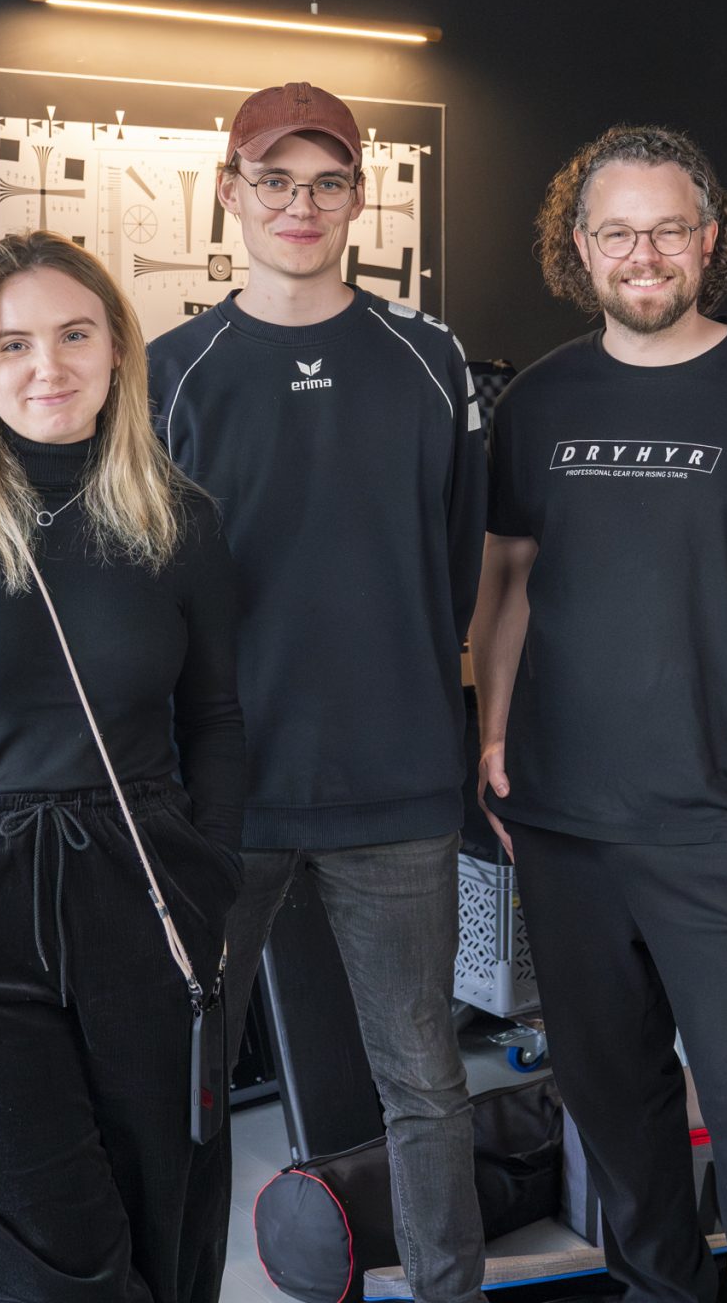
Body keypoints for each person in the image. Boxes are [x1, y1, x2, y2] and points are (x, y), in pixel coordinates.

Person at [474, 124, 727, 1303]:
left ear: (709, 240)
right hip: (565, 828)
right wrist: (493, 736)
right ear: (580, 247)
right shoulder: (540, 401)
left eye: (667, 230)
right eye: (617, 233)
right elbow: (507, 579)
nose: (642, 254)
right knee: (614, 1115)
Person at [0, 231, 246, 1303]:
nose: (47, 367)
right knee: (27, 1232)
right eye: (13, 343)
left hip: (143, 880)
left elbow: (214, 717)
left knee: (158, 1195)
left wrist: (212, 869)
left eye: (74, 335)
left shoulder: (179, 522)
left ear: (117, 348)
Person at [148, 83, 488, 1303]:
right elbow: (144, 586)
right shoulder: (171, 374)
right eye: (274, 181)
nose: (300, 205)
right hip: (221, 801)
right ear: (230, 193)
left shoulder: (427, 358)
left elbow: (459, 565)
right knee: (182, 1079)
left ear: (358, 197)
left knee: (424, 1080)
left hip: (397, 787)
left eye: (327, 181)